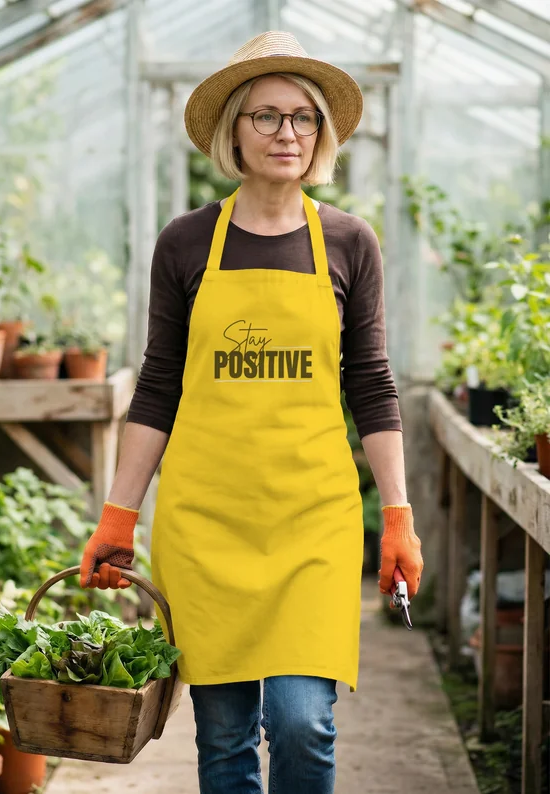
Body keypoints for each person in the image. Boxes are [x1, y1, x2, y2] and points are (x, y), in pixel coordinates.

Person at [80, 30, 424, 794]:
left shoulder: (347, 242)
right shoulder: (186, 243)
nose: (287, 133)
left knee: (305, 723)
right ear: (234, 128)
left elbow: (370, 382)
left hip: (313, 518)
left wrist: (396, 513)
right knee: (225, 736)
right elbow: (158, 385)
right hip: (207, 520)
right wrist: (117, 515)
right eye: (266, 116)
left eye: (302, 117)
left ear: (322, 133)